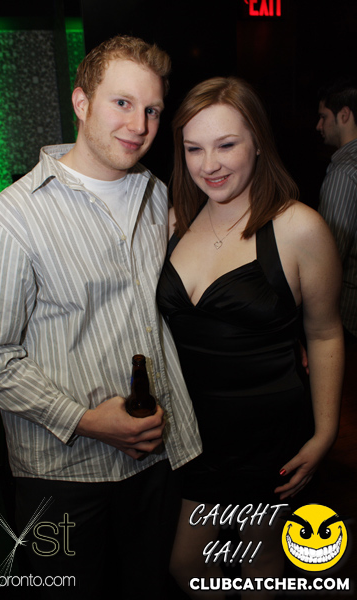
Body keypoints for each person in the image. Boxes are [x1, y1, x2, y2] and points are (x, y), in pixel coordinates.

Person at [0, 35, 201, 599]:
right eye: (122, 103)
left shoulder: (154, 194)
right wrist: (88, 420)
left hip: (158, 455)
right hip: (64, 474)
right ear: (82, 102)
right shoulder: (9, 220)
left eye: (152, 110)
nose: (139, 125)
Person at [156, 77, 344, 598]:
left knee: (260, 562)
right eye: (193, 148)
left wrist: (324, 434)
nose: (208, 164)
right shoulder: (172, 222)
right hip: (193, 434)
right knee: (186, 564)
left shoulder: (299, 227)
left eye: (226, 145)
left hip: (268, 435)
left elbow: (325, 333)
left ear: (258, 141)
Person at [316, 76, 357, 345]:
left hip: (347, 316)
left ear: (344, 115)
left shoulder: (344, 172)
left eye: (323, 117)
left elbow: (329, 256)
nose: (318, 126)